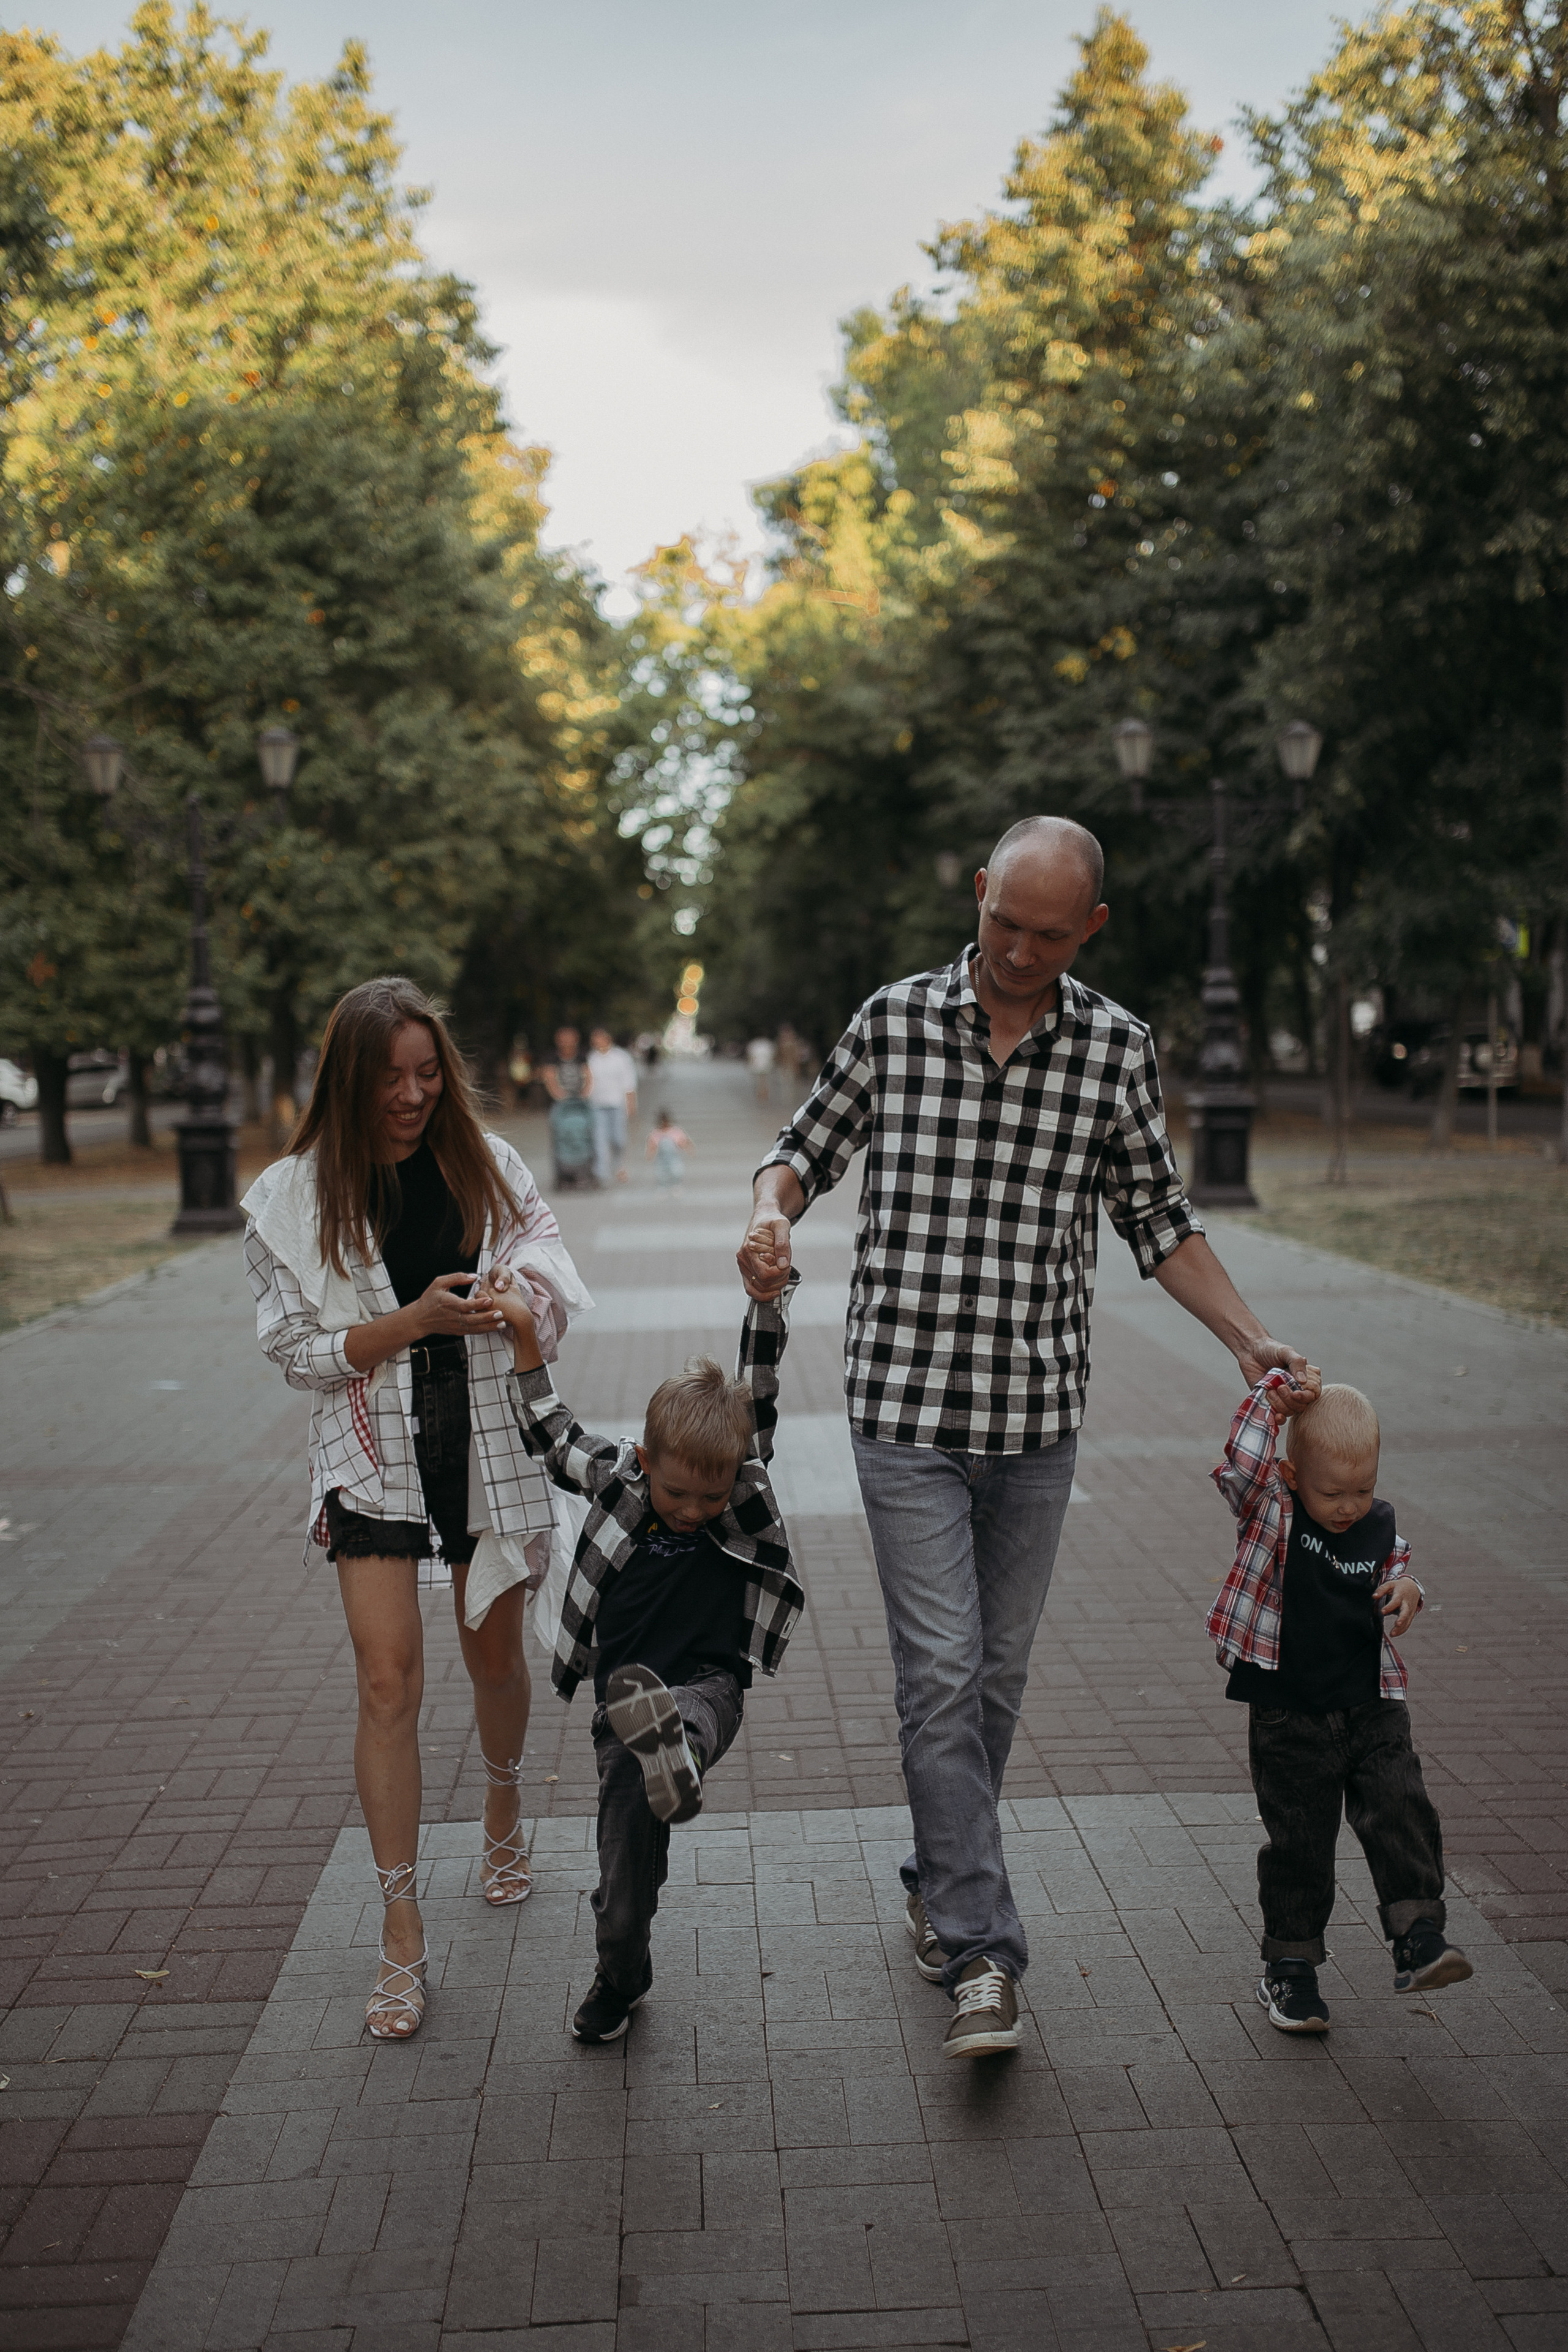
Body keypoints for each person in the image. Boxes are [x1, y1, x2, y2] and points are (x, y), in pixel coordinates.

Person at [736, 814, 1309, 2060]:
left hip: (1036, 1416)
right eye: (1004, 922)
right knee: (941, 1674)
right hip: (902, 1410)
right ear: (980, 889)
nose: (1016, 952)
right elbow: (799, 1155)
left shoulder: (1112, 1049)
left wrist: (1246, 1340)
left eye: (1048, 937)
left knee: (990, 1680)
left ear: (1088, 930)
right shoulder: (892, 1021)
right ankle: (983, 1953)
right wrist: (766, 1214)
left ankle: (938, 1869)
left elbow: (1157, 1218)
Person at [242, 976, 592, 2042]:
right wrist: (407, 1322)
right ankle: (400, 1924)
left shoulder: (488, 1162)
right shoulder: (295, 1198)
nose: (412, 1093)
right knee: (386, 1678)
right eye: (389, 1077)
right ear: (346, 1082)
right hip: (372, 1456)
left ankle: (500, 1804)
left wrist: (520, 1300)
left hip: (483, 1441)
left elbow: (550, 1265)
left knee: (494, 1659)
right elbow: (300, 1356)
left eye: (427, 1072)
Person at [482, 1262, 802, 2043]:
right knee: (624, 1875)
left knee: (689, 1709)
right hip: (618, 1719)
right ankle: (621, 1973)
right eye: (678, 1495)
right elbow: (550, 1431)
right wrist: (523, 1332)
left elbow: (757, 1384)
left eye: (711, 1496)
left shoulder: (742, 1481)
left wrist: (766, 1296)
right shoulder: (618, 1480)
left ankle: (680, 1751)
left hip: (706, 1686)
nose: (695, 1512)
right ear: (647, 1461)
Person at [1210, 1369, 1471, 2032]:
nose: (1349, 1506)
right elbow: (1240, 1465)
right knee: (1301, 1841)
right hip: (1289, 1708)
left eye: (1364, 1488)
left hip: (1370, 1705)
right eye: (1333, 1492)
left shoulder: (1374, 1522)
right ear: (1294, 1476)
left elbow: (1395, 1562)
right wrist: (1269, 1404)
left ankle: (1418, 1935)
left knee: (1400, 1805)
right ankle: (1291, 1968)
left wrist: (1407, 1586)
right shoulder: (1274, 1511)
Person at [543, 1025, 595, 1189]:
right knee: (560, 1138)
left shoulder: (582, 1057)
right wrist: (560, 1095)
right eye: (564, 1040)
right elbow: (549, 1078)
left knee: (586, 1136)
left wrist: (585, 1093)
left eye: (570, 1040)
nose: (567, 1043)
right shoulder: (552, 1058)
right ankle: (561, 1175)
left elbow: (588, 1076)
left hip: (581, 1105)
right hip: (560, 1106)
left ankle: (587, 1171)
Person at [587, 1025, 639, 1186]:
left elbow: (629, 1082)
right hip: (597, 1104)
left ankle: (619, 1165)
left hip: (617, 1103)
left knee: (618, 1139)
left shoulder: (621, 1057)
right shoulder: (591, 1058)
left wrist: (631, 1103)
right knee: (599, 1139)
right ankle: (601, 1172)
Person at [647, 1107, 693, 1188]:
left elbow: (683, 1142)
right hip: (661, 1158)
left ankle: (677, 1185)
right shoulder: (656, 1133)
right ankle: (662, 1187)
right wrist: (650, 1154)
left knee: (677, 1171)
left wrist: (688, 1148)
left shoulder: (675, 1131)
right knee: (661, 1173)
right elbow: (652, 1145)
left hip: (674, 1157)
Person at [745, 1033, 775, 1103]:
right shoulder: (768, 1044)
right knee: (764, 1080)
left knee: (761, 1081)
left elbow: (751, 1056)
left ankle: (762, 1094)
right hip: (764, 1065)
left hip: (760, 1065)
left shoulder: (754, 1044)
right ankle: (763, 1094)